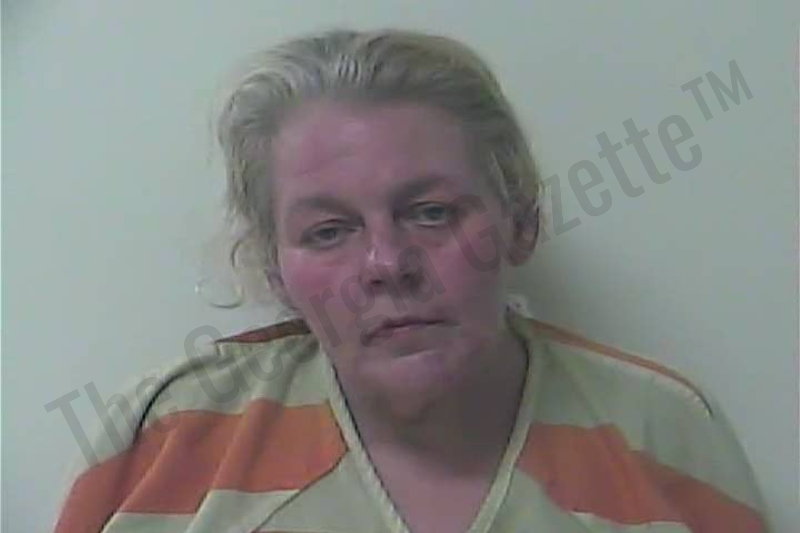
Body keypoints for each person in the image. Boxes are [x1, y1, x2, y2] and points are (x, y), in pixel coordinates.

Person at [53, 29, 769, 533]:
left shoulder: (659, 431)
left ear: (520, 222)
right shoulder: (171, 436)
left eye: (431, 213)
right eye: (328, 231)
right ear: (274, 266)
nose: (386, 264)